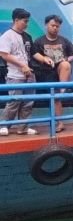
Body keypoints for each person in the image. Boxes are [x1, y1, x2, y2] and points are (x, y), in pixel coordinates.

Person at [31, 14, 73, 133]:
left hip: (61, 71)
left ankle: (63, 90)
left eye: (57, 26)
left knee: (65, 65)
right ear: (46, 25)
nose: (55, 28)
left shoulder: (64, 40)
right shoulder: (39, 41)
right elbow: (34, 54)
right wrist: (44, 59)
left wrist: (66, 59)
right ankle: (59, 121)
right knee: (54, 98)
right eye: (53, 25)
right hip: (46, 73)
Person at [0, 8, 37, 136]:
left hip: (29, 74)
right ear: (16, 20)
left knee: (28, 102)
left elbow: (32, 53)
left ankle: (23, 127)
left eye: (27, 21)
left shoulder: (27, 36)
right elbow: (4, 54)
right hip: (15, 75)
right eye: (24, 21)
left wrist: (44, 59)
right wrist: (22, 65)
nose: (27, 24)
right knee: (14, 101)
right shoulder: (7, 36)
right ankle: (4, 125)